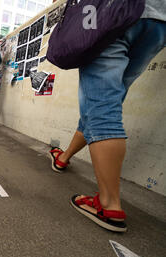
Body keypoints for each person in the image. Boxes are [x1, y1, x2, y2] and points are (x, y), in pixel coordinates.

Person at [49, 1, 166, 233]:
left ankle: (108, 204)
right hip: (158, 21)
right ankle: (63, 158)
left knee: (102, 109)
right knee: (105, 105)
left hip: (111, 13)